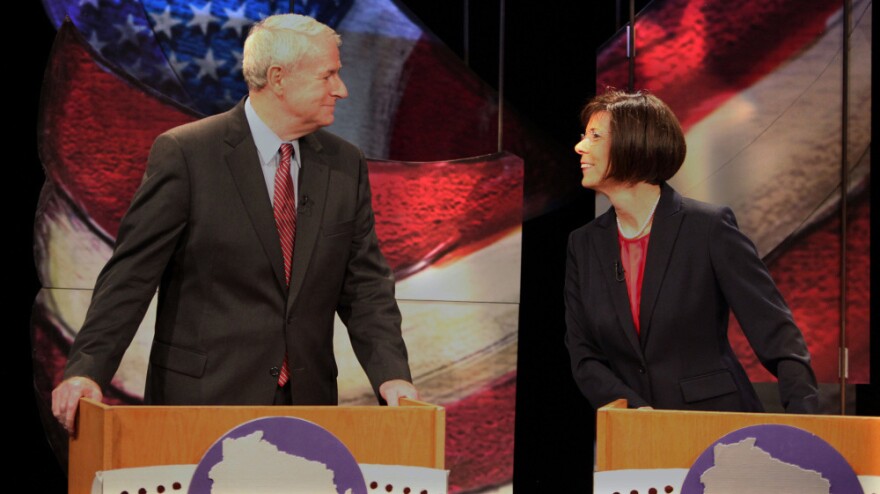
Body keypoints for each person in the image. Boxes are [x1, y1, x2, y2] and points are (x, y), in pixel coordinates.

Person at [52, 14, 418, 432]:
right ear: (278, 78)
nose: (341, 89)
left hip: (306, 405)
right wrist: (86, 370)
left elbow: (365, 285)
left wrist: (393, 377)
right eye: (328, 75)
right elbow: (130, 277)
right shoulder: (188, 154)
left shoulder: (344, 163)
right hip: (203, 403)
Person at [564, 90, 818, 413]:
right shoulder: (583, 244)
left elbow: (777, 334)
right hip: (636, 439)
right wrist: (636, 411)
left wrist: (805, 423)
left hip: (718, 429)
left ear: (635, 144)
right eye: (583, 136)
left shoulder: (708, 228)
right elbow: (583, 354)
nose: (580, 147)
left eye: (595, 136)